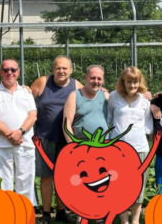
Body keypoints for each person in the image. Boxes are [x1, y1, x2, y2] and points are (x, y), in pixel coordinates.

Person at [30, 55, 82, 224]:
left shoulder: (77, 86)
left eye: (65, 68)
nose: (61, 71)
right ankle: (46, 213)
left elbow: (91, 95)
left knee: (63, 177)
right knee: (46, 177)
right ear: (52, 69)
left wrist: (103, 91)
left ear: (71, 70)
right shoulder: (43, 82)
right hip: (45, 137)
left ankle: (61, 211)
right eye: (58, 68)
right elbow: (24, 97)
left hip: (67, 139)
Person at [0, 59, 37, 206]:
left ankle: (26, 215)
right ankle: (5, 214)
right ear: (1, 72)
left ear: (18, 72)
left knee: (26, 180)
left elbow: (33, 115)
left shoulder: (26, 93)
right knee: (3, 181)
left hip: (25, 143)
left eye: (13, 70)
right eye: (6, 70)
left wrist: (20, 132)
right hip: (2, 145)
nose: (10, 73)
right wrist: (11, 135)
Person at [63, 64, 108, 224]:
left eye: (99, 78)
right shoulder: (74, 96)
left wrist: (147, 94)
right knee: (83, 183)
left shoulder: (105, 96)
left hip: (103, 148)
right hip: (80, 148)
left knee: (102, 181)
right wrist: (72, 148)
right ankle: (81, 216)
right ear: (85, 78)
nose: (95, 81)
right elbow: (66, 124)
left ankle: (99, 215)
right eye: (93, 78)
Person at [107, 67, 153, 224]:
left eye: (135, 82)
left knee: (138, 187)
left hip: (140, 149)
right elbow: (108, 120)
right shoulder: (113, 97)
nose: (132, 85)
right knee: (119, 187)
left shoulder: (145, 100)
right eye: (129, 82)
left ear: (140, 82)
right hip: (118, 150)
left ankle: (135, 221)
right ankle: (124, 220)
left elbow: (148, 126)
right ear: (123, 82)